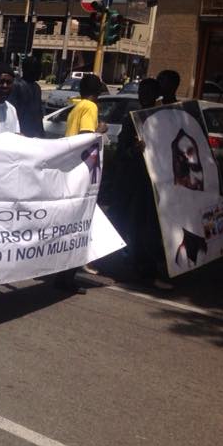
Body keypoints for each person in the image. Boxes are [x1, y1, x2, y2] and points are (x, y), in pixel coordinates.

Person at [113, 78, 171, 290]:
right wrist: (133, 150)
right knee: (140, 226)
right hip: (136, 182)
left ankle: (142, 265)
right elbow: (121, 152)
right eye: (141, 92)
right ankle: (145, 271)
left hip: (156, 180)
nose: (143, 96)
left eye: (148, 92)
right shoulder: (132, 120)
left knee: (149, 227)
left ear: (155, 95)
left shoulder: (161, 118)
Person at [57, 73, 108, 294]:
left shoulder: (77, 106)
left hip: (71, 169)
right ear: (97, 92)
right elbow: (86, 137)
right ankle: (67, 278)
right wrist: (101, 130)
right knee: (79, 225)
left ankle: (64, 274)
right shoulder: (90, 107)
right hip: (82, 171)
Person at [8, 54, 45, 137]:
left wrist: (41, 133)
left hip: (34, 134)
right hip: (21, 133)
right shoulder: (16, 86)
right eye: (38, 68)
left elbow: (38, 114)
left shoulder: (37, 87)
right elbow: (12, 113)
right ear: (29, 69)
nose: (40, 72)